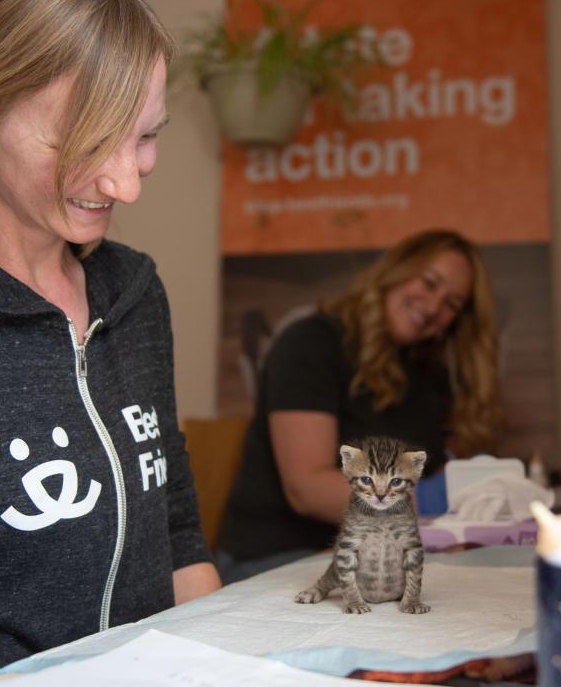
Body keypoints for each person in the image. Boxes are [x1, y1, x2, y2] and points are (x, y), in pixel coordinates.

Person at [0, 0, 220, 687]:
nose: (126, 184)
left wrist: (222, 684)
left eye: (145, 136)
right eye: (86, 142)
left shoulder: (135, 294)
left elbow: (177, 534)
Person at [215, 230, 502, 582]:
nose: (432, 308)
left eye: (452, 305)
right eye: (429, 283)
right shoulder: (311, 343)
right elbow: (305, 488)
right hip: (275, 556)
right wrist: (422, 505)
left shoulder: (430, 372)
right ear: (397, 271)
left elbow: (434, 471)